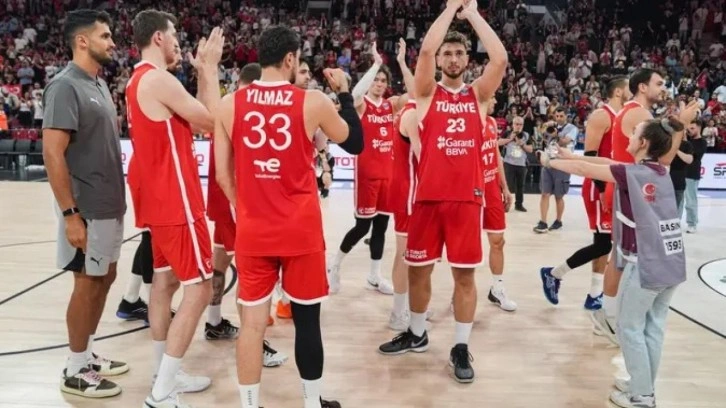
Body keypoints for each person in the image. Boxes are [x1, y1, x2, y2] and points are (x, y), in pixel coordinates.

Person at [213, 25, 363, 408]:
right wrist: (346, 93)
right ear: (290, 58)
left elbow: (222, 176)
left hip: (253, 231)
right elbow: (354, 143)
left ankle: (250, 405)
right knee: (307, 321)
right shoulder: (312, 102)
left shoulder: (229, 104)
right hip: (300, 230)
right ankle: (311, 403)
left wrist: (247, 208)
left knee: (252, 325)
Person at [378, 0, 507, 384]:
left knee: (464, 277)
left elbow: (499, 59)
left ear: (467, 59)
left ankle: (461, 346)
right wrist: (450, 8)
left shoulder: (478, 96)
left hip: (466, 199)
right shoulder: (425, 92)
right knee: (418, 271)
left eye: (459, 53)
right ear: (439, 60)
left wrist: (473, 15)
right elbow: (425, 51)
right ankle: (417, 333)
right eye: (447, 53)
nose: (452, 58)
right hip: (427, 198)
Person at [541, 116, 688, 408]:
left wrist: (550, 162)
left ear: (642, 143)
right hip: (672, 262)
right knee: (653, 328)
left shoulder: (633, 173)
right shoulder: (658, 170)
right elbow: (606, 162)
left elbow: (587, 170)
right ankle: (643, 385)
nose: (629, 136)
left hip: (646, 265)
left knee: (628, 328)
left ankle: (642, 397)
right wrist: (571, 156)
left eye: (634, 133)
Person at [126, 10, 222, 406]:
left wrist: (200, 74)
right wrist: (210, 69)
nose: (180, 44)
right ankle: (162, 391)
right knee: (200, 288)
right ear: (158, 39)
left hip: (156, 199)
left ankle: (161, 371)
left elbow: (194, 120)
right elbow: (213, 121)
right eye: (175, 36)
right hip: (176, 200)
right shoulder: (159, 79)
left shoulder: (137, 80)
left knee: (164, 284)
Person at [43, 9, 127, 398]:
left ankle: (87, 354)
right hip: (86, 209)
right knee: (87, 283)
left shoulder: (99, 83)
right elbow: (52, 153)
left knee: (104, 279)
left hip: (109, 205)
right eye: (105, 36)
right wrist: (70, 215)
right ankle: (75, 369)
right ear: (82, 41)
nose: (112, 42)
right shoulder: (64, 86)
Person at [590, 69, 698, 345]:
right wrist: (681, 124)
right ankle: (609, 317)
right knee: (623, 257)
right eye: (658, 83)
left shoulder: (634, 111)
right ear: (642, 87)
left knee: (619, 256)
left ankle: (608, 315)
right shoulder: (640, 114)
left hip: (626, 186)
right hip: (631, 188)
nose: (663, 88)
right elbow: (664, 159)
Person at [539, 76, 630, 311]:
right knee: (603, 244)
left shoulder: (624, 116)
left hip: (613, 183)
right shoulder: (602, 115)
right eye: (628, 87)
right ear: (618, 92)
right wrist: (601, 189)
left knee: (605, 243)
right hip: (599, 185)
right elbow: (590, 154)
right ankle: (555, 274)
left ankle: (594, 294)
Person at [327, 40, 410, 296]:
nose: (379, 84)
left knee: (381, 227)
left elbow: (415, 94)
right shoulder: (362, 105)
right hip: (367, 176)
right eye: (376, 80)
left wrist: (402, 62)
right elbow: (353, 95)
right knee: (362, 227)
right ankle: (335, 266)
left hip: (388, 177)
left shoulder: (391, 104)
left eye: (383, 81)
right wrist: (375, 65)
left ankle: (374, 275)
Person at [117, 39, 184, 324]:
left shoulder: (142, 79)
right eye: (175, 45)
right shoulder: (154, 80)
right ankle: (150, 302)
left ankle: (131, 299)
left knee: (148, 236)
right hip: (149, 169)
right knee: (150, 239)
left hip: (146, 166)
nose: (179, 52)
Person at [383, 38, 419, 329]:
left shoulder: (413, 108)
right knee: (405, 252)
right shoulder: (412, 113)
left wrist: (402, 62)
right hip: (409, 191)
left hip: (411, 188)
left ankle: (412, 306)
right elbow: (426, 156)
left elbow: (414, 90)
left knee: (417, 253)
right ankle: (398, 312)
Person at [481, 100, 517, 311]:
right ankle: (459, 292)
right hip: (470, 190)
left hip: (492, 188)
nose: (495, 100)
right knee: (465, 245)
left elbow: (496, 155)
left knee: (498, 241)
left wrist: (505, 187)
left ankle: (497, 288)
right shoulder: (465, 122)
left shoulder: (492, 122)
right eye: (492, 96)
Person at [533, 107, 578, 233]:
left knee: (559, 196)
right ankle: (543, 222)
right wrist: (544, 127)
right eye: (557, 116)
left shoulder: (572, 128)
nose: (559, 118)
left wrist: (556, 135)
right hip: (548, 162)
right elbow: (540, 135)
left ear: (566, 116)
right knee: (544, 193)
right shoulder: (551, 126)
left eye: (561, 116)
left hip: (563, 164)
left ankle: (558, 221)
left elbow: (564, 142)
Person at [500, 115, 533, 212]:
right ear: (513, 124)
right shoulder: (507, 133)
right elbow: (498, 142)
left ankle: (519, 204)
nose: (518, 126)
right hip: (508, 163)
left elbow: (530, 149)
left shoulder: (526, 135)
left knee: (520, 186)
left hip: (521, 164)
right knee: (507, 185)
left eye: (520, 124)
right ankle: (505, 203)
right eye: (516, 124)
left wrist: (522, 144)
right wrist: (510, 139)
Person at [682, 120, 707, 233]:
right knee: (679, 200)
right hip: (680, 173)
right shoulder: (687, 140)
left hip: (692, 174)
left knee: (690, 200)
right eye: (689, 129)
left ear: (699, 128)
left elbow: (695, 154)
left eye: (692, 128)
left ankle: (692, 223)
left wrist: (685, 141)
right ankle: (676, 221)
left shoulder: (702, 142)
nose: (690, 131)